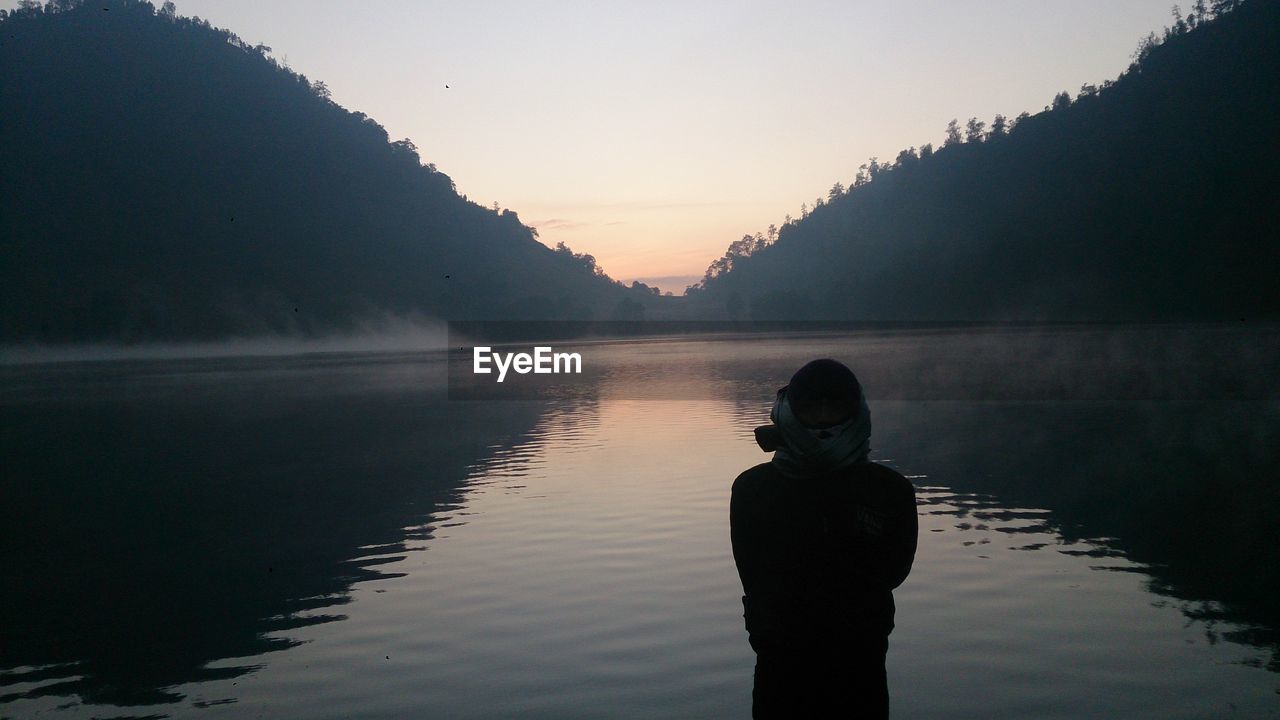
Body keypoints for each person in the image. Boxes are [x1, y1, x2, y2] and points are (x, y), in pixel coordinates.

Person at [731, 359, 917, 719]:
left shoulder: (889, 490)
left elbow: (894, 570)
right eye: (811, 408)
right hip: (780, 654)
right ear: (791, 412)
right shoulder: (753, 488)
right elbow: (753, 573)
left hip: (860, 655)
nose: (823, 418)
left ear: (854, 410)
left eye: (834, 406)